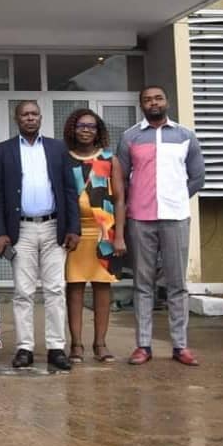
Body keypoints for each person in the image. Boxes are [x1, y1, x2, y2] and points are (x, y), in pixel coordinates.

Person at [117, 86, 205, 366]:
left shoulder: (185, 136)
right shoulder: (130, 136)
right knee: (143, 284)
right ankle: (143, 345)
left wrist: (176, 198)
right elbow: (122, 178)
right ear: (141, 104)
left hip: (176, 217)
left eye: (158, 98)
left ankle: (180, 346)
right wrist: (138, 201)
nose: (153, 103)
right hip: (140, 218)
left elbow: (197, 177)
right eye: (147, 99)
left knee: (177, 284)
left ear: (166, 102)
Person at [0, 100, 80, 371]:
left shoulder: (58, 148)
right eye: (25, 114)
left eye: (34, 114)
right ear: (17, 119)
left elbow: (69, 190)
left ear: (41, 118)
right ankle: (24, 348)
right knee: (23, 291)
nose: (30, 118)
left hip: (54, 228)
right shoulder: (3, 150)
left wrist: (74, 228)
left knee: (55, 289)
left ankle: (55, 348)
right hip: (22, 230)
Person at [62, 109, 127, 364]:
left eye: (91, 126)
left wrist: (119, 235)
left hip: (104, 232)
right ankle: (76, 344)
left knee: (102, 287)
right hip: (75, 232)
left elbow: (120, 199)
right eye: (81, 126)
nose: (86, 130)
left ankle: (100, 343)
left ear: (98, 130)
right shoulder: (64, 158)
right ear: (72, 129)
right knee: (75, 287)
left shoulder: (111, 159)